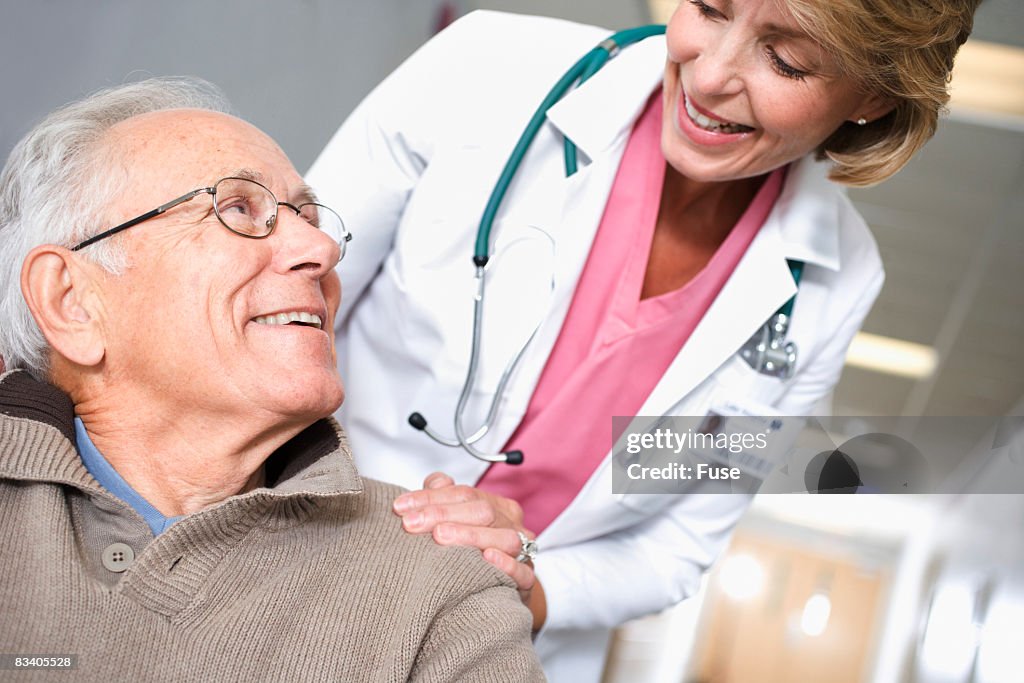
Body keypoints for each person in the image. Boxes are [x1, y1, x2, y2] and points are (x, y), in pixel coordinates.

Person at [306, 1, 981, 680]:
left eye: (786, 59)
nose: (710, 74)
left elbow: (673, 547)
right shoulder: (491, 67)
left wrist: (525, 579)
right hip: (304, 548)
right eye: (709, 8)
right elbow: (282, 311)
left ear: (870, 95)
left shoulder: (834, 283)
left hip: (499, 651)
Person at [0, 77, 544, 682]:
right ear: (71, 300)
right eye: (237, 208)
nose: (321, 248)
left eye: (311, 219)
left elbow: (669, 554)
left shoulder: (436, 584)